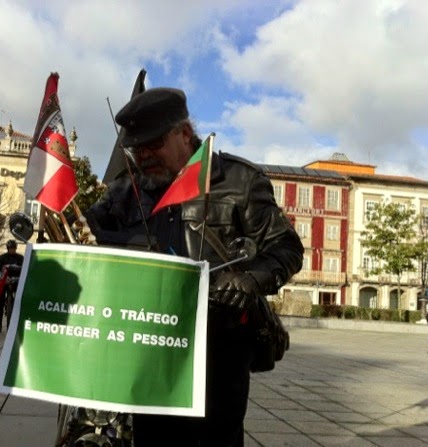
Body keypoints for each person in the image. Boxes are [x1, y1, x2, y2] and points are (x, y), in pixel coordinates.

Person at [85, 87, 304, 447]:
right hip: (148, 342)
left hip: (218, 345)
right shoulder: (128, 190)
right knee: (153, 438)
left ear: (184, 133)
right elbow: (90, 239)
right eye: (136, 148)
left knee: (213, 439)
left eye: (152, 144)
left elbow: (286, 247)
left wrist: (250, 279)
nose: (143, 156)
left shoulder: (240, 180)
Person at [0, 239, 24, 332]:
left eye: (13, 248)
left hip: (15, 282)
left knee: (17, 302)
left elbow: (24, 269)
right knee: (0, 303)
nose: (12, 250)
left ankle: (13, 322)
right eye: (10, 248)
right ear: (7, 248)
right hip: (3, 282)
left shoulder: (20, 258)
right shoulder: (2, 258)